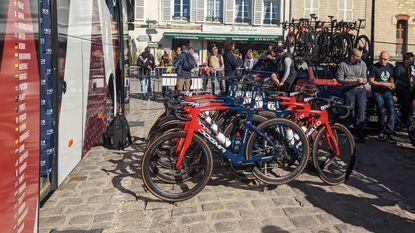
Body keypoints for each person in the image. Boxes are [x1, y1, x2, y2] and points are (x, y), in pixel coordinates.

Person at [336, 48, 367, 143]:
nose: (359, 58)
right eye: (357, 56)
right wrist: (352, 81)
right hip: (348, 89)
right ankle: (348, 133)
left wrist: (362, 81)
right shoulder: (343, 65)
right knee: (350, 112)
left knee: (361, 112)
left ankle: (359, 134)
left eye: (360, 56)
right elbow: (339, 80)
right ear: (352, 56)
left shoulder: (363, 64)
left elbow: (365, 78)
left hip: (360, 89)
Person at [368, 51, 396, 143]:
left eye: (385, 59)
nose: (383, 60)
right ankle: (381, 132)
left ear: (388, 59)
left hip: (388, 92)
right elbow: (371, 81)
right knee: (381, 110)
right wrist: (383, 83)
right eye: (381, 58)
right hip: (377, 92)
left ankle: (390, 133)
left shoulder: (390, 67)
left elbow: (391, 79)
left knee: (391, 111)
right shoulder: (374, 67)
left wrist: (392, 85)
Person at [394, 52, 415, 127]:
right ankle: (404, 122)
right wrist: (394, 94)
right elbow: (395, 81)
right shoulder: (399, 68)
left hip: (407, 90)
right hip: (401, 91)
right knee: (407, 105)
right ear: (406, 60)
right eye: (412, 59)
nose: (413, 61)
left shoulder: (408, 68)